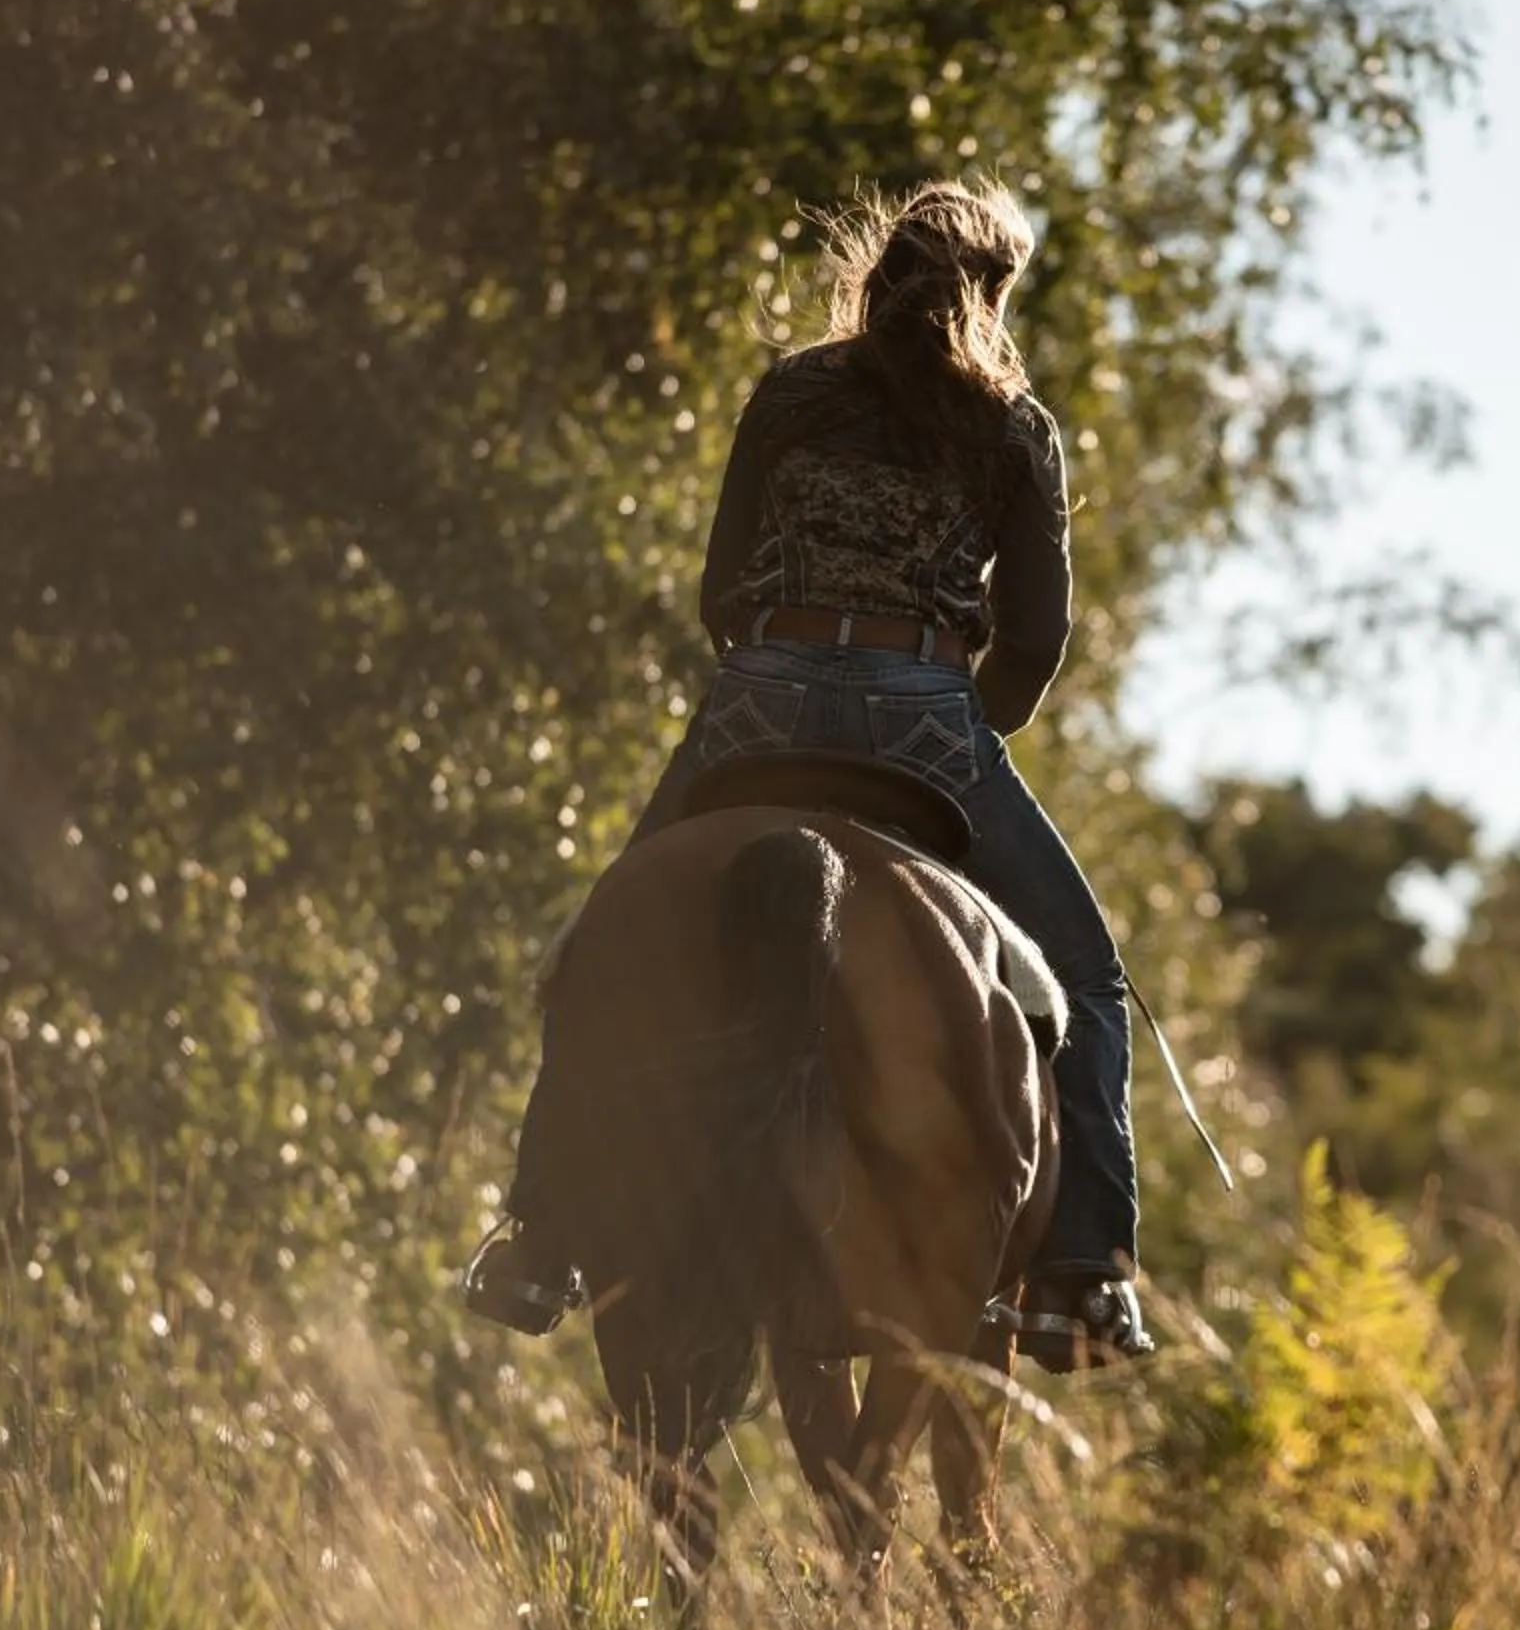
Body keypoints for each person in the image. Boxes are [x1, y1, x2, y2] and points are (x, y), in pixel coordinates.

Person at [463, 180, 1152, 1369]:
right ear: (992, 295)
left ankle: (542, 1236)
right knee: (1086, 978)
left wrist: (782, 669)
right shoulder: (1014, 426)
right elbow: (1035, 640)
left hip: (763, 693)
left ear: (878, 276)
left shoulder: (790, 392)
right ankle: (1082, 1277)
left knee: (600, 945)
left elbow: (720, 586)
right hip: (925, 710)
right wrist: (963, 727)